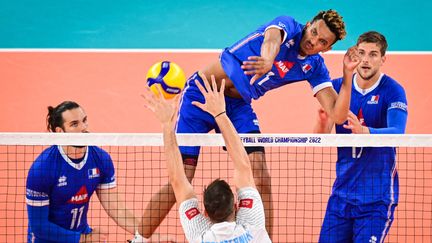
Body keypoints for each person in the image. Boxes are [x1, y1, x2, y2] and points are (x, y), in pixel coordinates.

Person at [140, 9, 360, 238]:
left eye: (321, 41)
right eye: (314, 32)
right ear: (308, 24)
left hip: (237, 106)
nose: (312, 41)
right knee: (182, 177)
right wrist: (267, 58)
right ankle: (139, 238)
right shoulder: (288, 26)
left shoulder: (314, 66)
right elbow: (272, 39)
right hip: (202, 94)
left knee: (260, 176)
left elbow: (337, 116)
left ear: (327, 49)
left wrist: (346, 76)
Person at [138, 75, 271, 242]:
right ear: (236, 207)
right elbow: (243, 165)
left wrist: (166, 124)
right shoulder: (253, 225)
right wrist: (221, 113)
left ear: (205, 214)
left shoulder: (199, 236)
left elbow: (178, 180)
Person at [314, 31, 408, 242]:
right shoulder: (337, 87)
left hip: (376, 199)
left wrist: (365, 132)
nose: (365, 60)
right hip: (341, 197)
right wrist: (322, 123)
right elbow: (320, 138)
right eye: (362, 53)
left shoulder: (393, 91)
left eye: (373, 54)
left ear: (383, 59)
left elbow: (398, 133)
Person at [26, 101, 141, 242]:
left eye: (84, 121)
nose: (84, 128)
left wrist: (146, 235)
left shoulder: (100, 159)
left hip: (81, 235)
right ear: (60, 132)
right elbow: (40, 228)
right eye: (74, 124)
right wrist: (84, 239)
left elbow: (118, 209)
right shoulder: (43, 169)